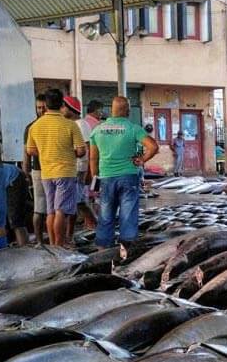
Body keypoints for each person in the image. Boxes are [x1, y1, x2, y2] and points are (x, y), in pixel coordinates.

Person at [88, 96, 157, 251]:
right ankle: (127, 248)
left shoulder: (97, 130)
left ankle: (103, 249)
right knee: (128, 214)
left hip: (106, 177)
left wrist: (95, 177)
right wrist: (142, 159)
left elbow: (93, 157)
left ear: (111, 110)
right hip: (129, 177)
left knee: (105, 215)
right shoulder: (133, 128)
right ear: (128, 111)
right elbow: (153, 147)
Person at [26, 88, 86, 248]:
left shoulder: (35, 126)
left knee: (51, 210)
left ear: (45, 104)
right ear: (61, 104)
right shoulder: (70, 125)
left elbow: (30, 150)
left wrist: (46, 151)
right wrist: (67, 151)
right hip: (65, 172)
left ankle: (53, 244)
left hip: (46, 173)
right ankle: (60, 245)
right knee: (61, 211)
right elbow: (81, 150)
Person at [60, 95, 96, 240]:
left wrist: (88, 172)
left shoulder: (81, 124)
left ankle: (69, 235)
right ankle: (97, 224)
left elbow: (87, 147)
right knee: (80, 202)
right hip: (76, 168)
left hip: (79, 169)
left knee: (74, 203)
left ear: (71, 109)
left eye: (63, 107)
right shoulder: (74, 124)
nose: (61, 110)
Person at [24, 94, 47, 245]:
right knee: (39, 208)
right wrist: (26, 171)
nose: (40, 110)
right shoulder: (30, 127)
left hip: (52, 170)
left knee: (50, 209)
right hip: (38, 170)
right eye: (38, 107)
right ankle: (40, 241)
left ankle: (49, 240)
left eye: (43, 107)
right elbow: (26, 151)